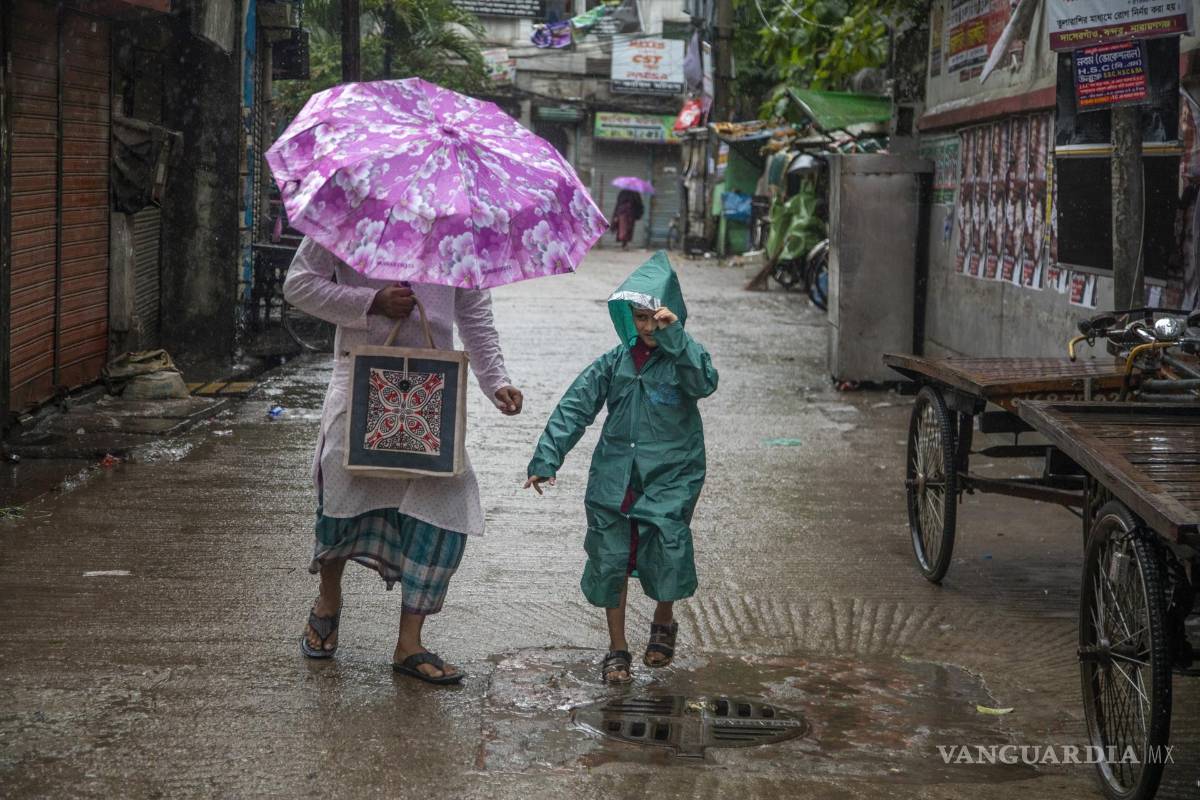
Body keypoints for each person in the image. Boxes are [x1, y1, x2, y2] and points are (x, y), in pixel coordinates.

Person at [284, 237, 524, 685]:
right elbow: (298, 285)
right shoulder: (349, 210)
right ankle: (328, 600)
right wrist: (371, 300)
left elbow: (473, 313)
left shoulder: (460, 228)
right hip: (359, 374)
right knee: (340, 498)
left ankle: (409, 642)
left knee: (443, 507)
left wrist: (497, 381)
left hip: (433, 385)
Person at [523, 252, 718, 684]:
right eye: (639, 317)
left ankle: (663, 623)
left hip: (672, 474)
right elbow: (575, 407)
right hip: (615, 476)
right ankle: (617, 650)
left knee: (667, 544)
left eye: (654, 317)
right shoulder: (614, 362)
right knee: (610, 557)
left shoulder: (685, 356)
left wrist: (676, 337)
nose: (647, 326)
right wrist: (546, 458)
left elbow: (705, 382)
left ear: (670, 313)